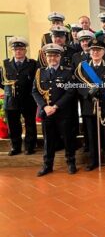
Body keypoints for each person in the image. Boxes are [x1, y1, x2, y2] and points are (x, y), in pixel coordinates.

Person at [75, 39, 105, 171]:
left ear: (103, 52)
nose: (95, 52)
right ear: (89, 52)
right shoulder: (82, 67)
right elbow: (77, 85)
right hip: (89, 105)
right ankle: (93, 160)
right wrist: (88, 92)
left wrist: (102, 88)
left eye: (98, 50)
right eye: (93, 50)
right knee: (91, 135)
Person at [32, 43, 76, 176]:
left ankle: (71, 163)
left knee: (68, 139)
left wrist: (56, 106)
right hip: (47, 112)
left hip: (63, 112)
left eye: (55, 55)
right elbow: (35, 92)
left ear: (60, 57)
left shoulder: (67, 72)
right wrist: (45, 107)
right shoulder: (40, 72)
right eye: (49, 55)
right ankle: (47, 165)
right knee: (48, 140)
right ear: (45, 57)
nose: (52, 58)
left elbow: (70, 92)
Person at [2, 37, 37, 156]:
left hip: (28, 99)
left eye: (21, 49)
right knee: (13, 125)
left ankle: (30, 146)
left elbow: (36, 81)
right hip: (11, 100)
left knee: (30, 124)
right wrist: (9, 91)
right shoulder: (5, 63)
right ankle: (15, 147)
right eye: (16, 49)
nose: (18, 51)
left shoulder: (32, 64)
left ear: (25, 50)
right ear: (12, 50)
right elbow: (2, 81)